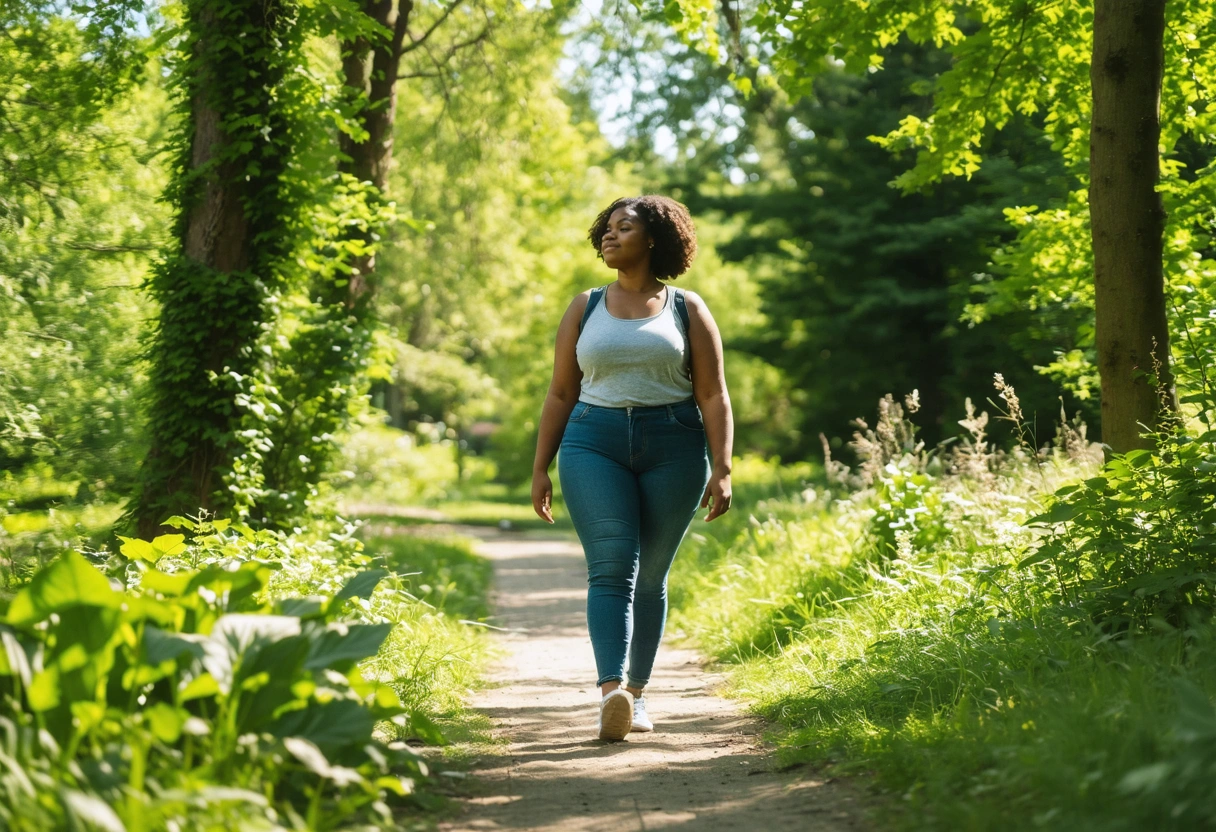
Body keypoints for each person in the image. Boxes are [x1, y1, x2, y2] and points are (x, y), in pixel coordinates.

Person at [530, 195, 734, 741]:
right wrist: (540, 467)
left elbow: (713, 394)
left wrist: (724, 467)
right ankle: (611, 693)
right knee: (612, 563)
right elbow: (560, 392)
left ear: (653, 239)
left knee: (651, 574)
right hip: (592, 442)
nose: (610, 237)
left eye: (624, 228)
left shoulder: (687, 308)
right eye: (606, 229)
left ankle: (637, 696)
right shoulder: (585, 305)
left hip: (675, 445)